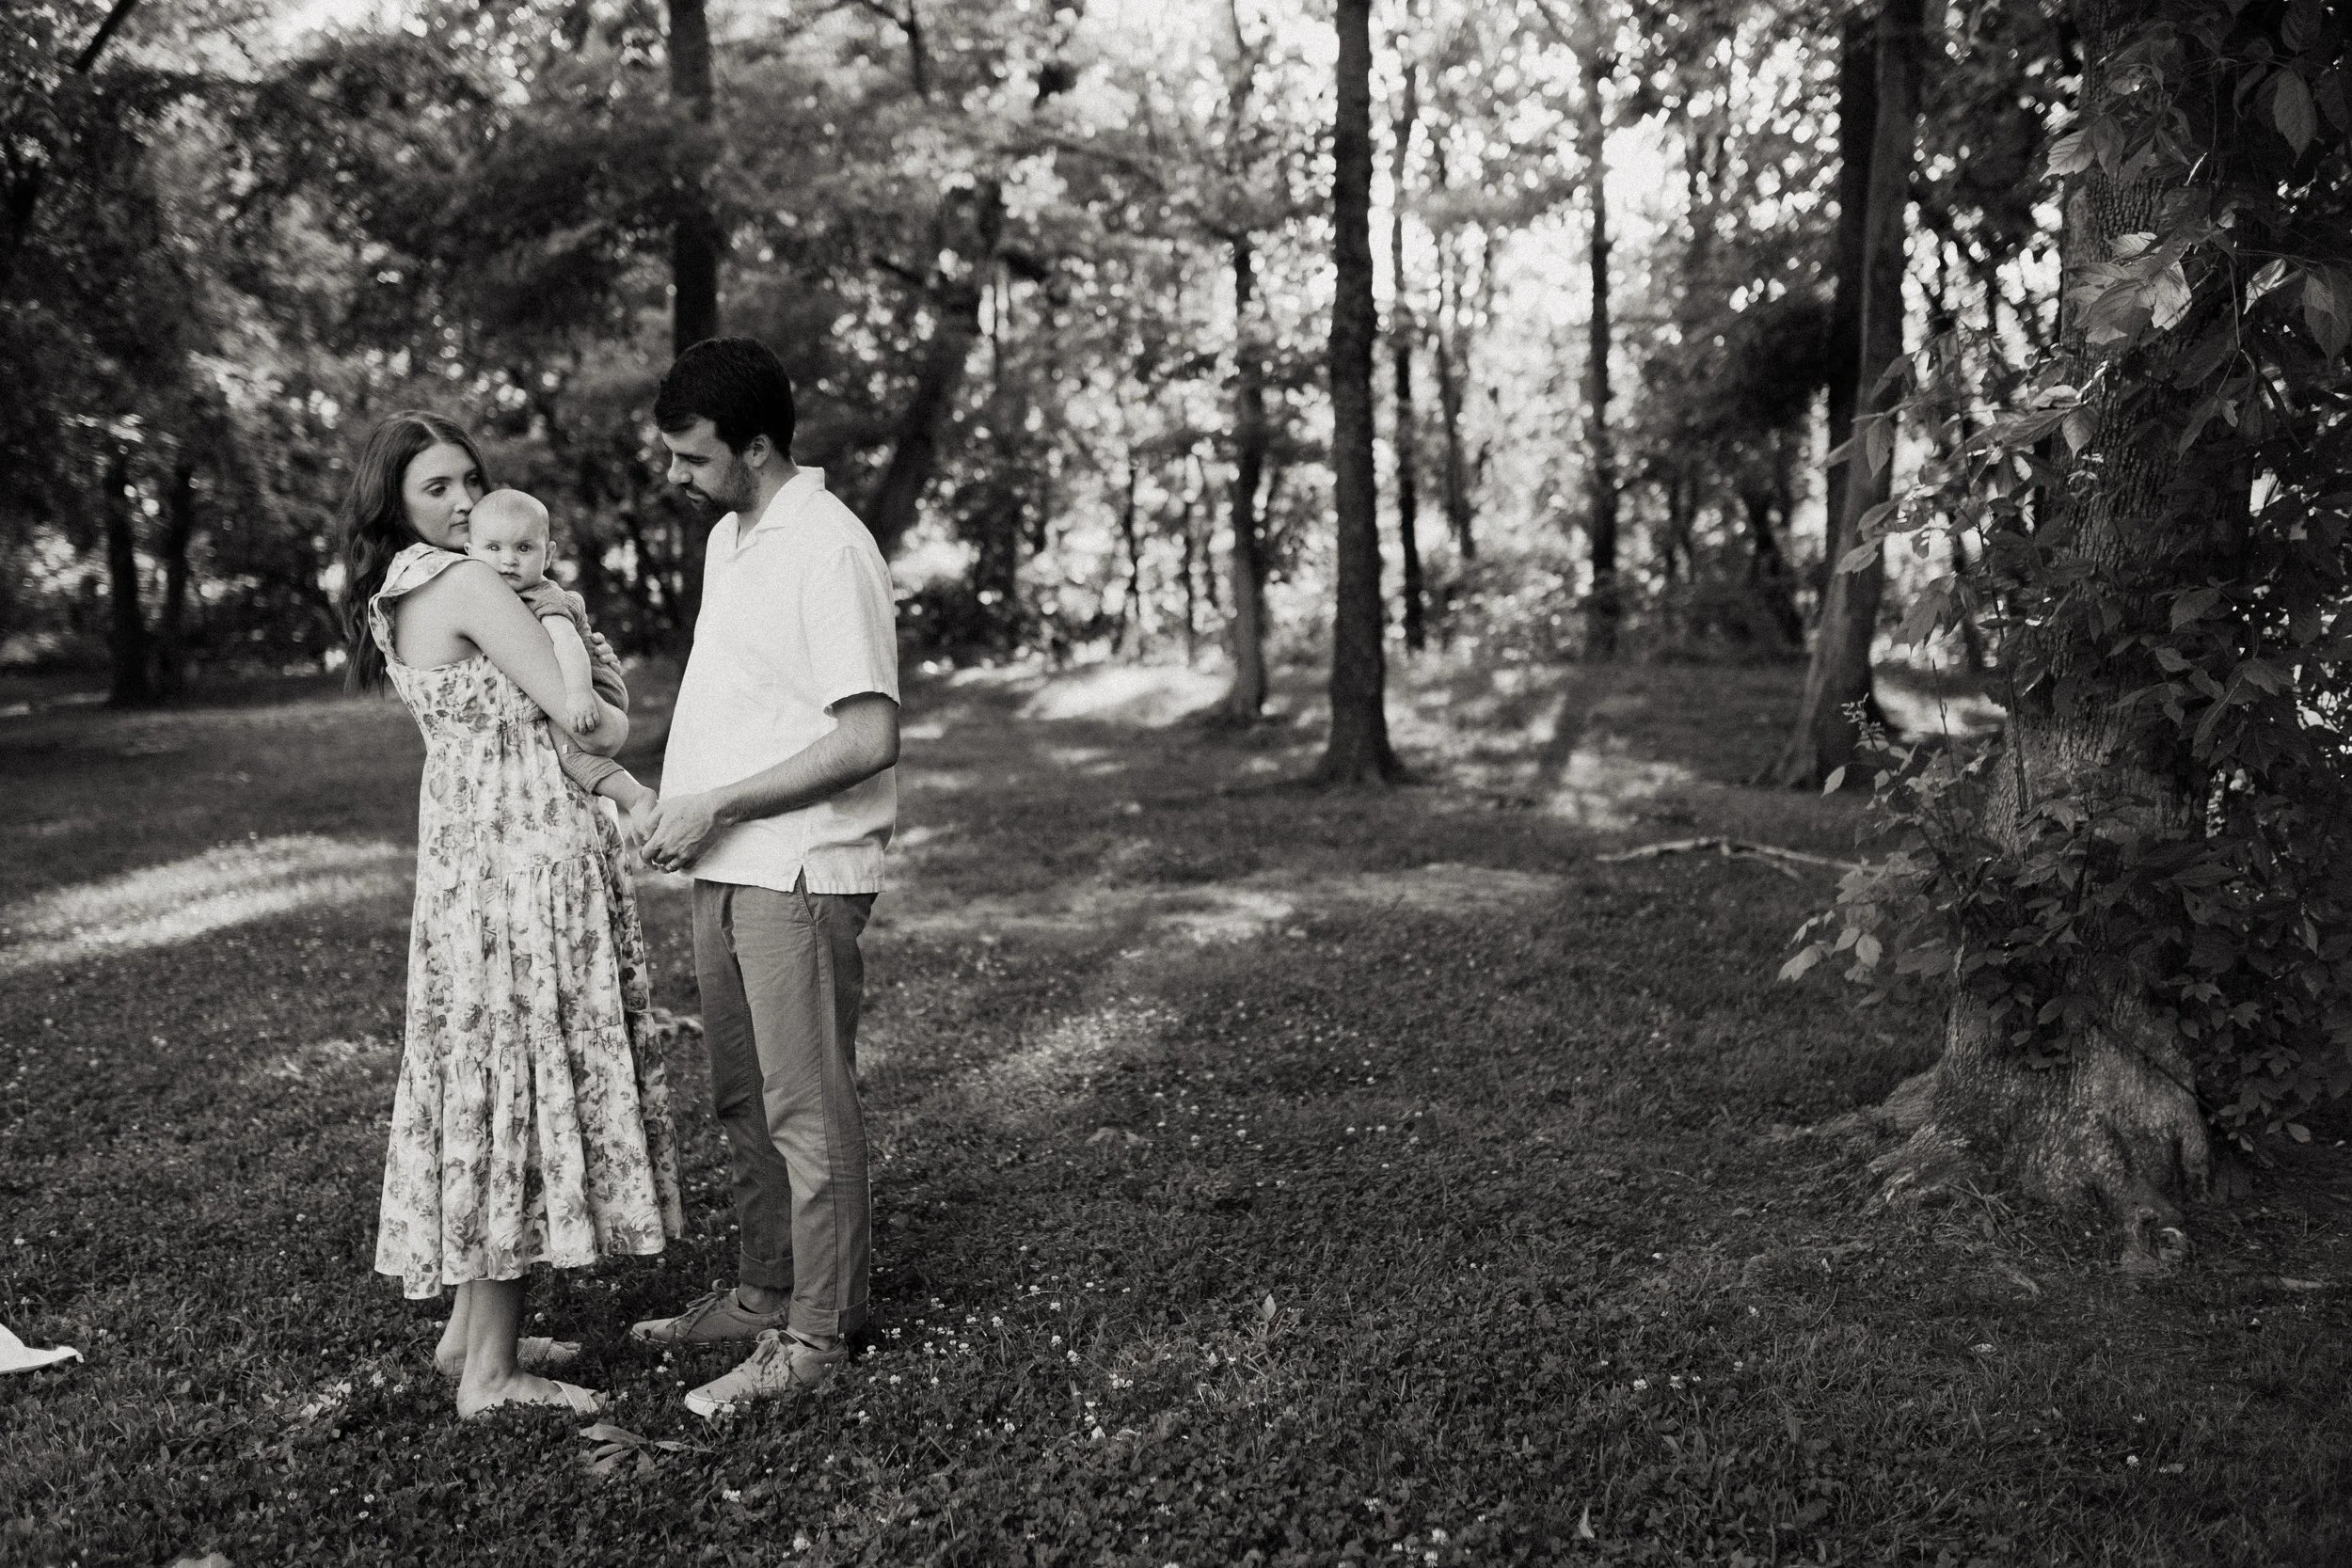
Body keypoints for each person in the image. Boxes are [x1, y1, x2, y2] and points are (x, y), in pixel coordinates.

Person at [336, 409, 684, 1418]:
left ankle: (463, 1335)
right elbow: (593, 717)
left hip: (465, 864)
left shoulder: (392, 591)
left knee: (483, 1074)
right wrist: (610, 698)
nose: (457, 503)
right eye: (434, 488)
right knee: (517, 1081)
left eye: (466, 482)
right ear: (394, 501)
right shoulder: (472, 581)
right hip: (522, 858)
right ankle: (491, 1375)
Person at [625, 339, 901, 1419]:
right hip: (724, 863)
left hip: (798, 866)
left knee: (804, 1106)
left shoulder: (827, 548)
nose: (676, 478)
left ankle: (818, 1334)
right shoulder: (734, 536)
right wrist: (680, 805)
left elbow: (869, 734)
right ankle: (761, 1293)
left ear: (754, 445)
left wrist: (720, 802)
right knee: (740, 1098)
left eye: (691, 458)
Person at [464, 485, 656, 818]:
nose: (509, 560)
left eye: (524, 548)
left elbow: (568, 643)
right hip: (574, 686)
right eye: (493, 548)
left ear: (548, 555)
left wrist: (580, 695)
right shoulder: (500, 598)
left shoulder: (542, 597)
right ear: (470, 552)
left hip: (590, 690)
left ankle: (636, 798)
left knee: (568, 753)